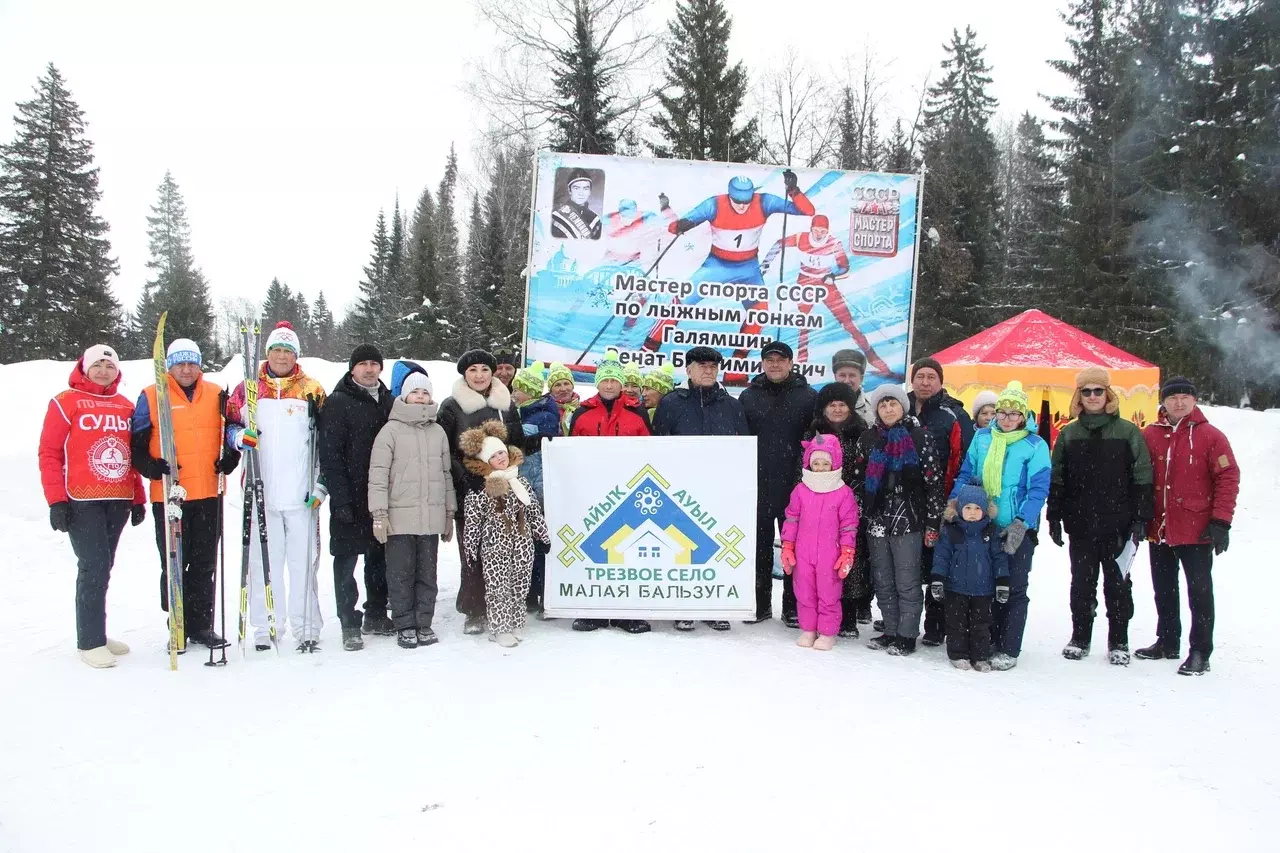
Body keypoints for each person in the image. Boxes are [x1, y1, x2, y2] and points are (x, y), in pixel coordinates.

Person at [39, 344, 147, 668]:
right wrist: (56, 500)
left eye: (109, 365)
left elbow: (130, 457)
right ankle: (89, 641)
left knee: (105, 565)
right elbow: (49, 453)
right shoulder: (65, 402)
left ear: (117, 372)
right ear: (84, 368)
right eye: (97, 364)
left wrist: (138, 496)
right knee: (94, 565)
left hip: (117, 499)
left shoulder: (125, 406)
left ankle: (97, 632)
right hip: (81, 499)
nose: (103, 370)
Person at [131, 338, 240, 651]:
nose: (187, 369)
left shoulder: (217, 394)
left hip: (208, 491)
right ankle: (176, 625)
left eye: (192, 363)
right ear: (169, 366)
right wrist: (151, 467)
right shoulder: (152, 396)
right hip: (170, 495)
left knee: (204, 562)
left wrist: (230, 458)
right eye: (180, 363)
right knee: (175, 562)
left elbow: (231, 430)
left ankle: (201, 625)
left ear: (200, 365)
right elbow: (136, 445)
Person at [226, 321, 328, 652]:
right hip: (261, 493)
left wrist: (319, 486)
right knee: (262, 564)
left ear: (296, 355)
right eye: (276, 350)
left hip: (301, 496)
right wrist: (239, 437)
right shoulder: (247, 389)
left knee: (302, 564)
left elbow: (325, 442)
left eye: (288, 351)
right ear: (267, 353)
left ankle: (306, 626)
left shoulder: (312, 389)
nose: (282, 356)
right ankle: (266, 627)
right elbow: (227, 426)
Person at [1047, 367, 1153, 666]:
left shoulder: (1128, 432)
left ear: (1108, 394)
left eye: (1098, 391)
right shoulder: (1069, 433)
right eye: (1086, 391)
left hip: (1118, 522)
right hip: (1080, 523)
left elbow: (1142, 475)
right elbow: (1058, 478)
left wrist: (1141, 517)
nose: (1092, 396)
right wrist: (1054, 516)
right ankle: (1080, 636)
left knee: (1118, 584)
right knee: (1082, 582)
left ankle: (1119, 640)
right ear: (1078, 397)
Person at [643, 171, 815, 351]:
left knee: (760, 312)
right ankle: (648, 349)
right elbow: (677, 226)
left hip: (748, 269)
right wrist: (680, 225)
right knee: (681, 301)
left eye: (746, 202)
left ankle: (737, 367)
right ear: (729, 195)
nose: (742, 206)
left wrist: (794, 191)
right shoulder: (715, 204)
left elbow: (808, 211)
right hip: (717, 265)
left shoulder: (764, 202)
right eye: (737, 201)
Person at [1138, 377, 1239, 676]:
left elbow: (1228, 477)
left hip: (1196, 528)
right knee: (1164, 589)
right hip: (1160, 528)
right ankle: (1168, 641)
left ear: (1194, 401)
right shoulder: (1151, 435)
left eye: (1185, 397)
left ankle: (1200, 651)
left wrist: (1221, 520)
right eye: (1173, 398)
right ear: (1163, 402)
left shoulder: (1211, 436)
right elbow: (1140, 477)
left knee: (1199, 591)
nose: (1179, 402)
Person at [948, 381, 1050, 671]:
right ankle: (988, 639)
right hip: (981, 526)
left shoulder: (1034, 444)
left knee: (1015, 587)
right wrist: (953, 504)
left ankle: (1009, 646)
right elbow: (966, 474)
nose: (1007, 419)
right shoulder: (982, 438)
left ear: (1023, 415)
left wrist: (1021, 524)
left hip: (1016, 527)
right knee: (986, 586)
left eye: (1013, 414)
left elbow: (1038, 489)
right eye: (1002, 413)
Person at [652, 346, 749, 632]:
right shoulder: (671, 403)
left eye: (713, 366)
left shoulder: (732, 405)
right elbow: (658, 444)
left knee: (715, 547)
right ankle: (683, 606)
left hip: (719, 491)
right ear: (689, 370)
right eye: (702, 365)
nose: (708, 370)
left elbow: (743, 446)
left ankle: (715, 605)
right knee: (682, 546)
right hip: (680, 490)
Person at [850, 384, 945, 656]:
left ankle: (907, 634)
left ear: (903, 406)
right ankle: (890, 629)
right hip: (877, 519)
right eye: (882, 404)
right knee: (882, 579)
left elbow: (933, 483)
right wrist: (859, 516)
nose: (888, 409)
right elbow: (858, 480)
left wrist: (932, 522)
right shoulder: (868, 439)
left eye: (893, 403)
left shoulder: (919, 437)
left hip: (909, 519)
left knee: (907, 580)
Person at [437, 349, 524, 635]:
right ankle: (473, 608)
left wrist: (508, 468)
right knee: (471, 550)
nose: (479, 375)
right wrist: (466, 478)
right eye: (473, 370)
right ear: (464, 374)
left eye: (484, 370)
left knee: (499, 549)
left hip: (501, 488)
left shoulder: (505, 404)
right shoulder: (451, 406)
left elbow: (517, 441)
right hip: (469, 489)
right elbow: (445, 450)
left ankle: (500, 601)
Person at [567, 349, 653, 635]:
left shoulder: (637, 413)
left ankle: (627, 611)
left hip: (628, 492)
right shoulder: (582, 414)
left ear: (621, 383)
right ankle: (594, 610)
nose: (608, 385)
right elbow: (570, 453)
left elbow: (650, 453)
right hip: (591, 492)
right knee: (596, 549)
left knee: (627, 550)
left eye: (614, 381)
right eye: (604, 380)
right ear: (597, 382)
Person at [367, 373, 456, 650]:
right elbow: (378, 475)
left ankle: (424, 622)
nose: (420, 397)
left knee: (427, 574)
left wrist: (449, 513)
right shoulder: (390, 431)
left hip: (430, 518)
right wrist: (379, 514)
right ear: (404, 396)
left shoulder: (438, 431)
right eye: (415, 392)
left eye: (425, 393)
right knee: (400, 573)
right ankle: (405, 623)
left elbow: (446, 474)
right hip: (399, 519)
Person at [318, 344, 394, 652]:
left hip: (380, 496)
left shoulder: (389, 402)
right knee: (346, 560)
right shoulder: (337, 402)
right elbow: (330, 455)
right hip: (349, 494)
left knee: (379, 558)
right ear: (352, 369)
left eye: (374, 363)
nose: (369, 369)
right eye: (362, 363)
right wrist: (341, 498)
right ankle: (349, 622)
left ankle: (375, 612)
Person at [739, 341, 817, 626]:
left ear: (791, 363)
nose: (775, 365)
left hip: (795, 486)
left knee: (793, 548)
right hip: (757, 485)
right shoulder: (748, 397)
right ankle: (759, 603)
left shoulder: (808, 397)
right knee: (758, 546)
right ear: (762, 363)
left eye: (780, 360)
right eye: (769, 360)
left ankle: (792, 606)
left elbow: (818, 443)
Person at [759, 216, 893, 374]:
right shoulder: (801, 237)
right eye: (816, 230)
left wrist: (833, 276)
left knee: (848, 322)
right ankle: (801, 365)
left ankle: (875, 360)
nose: (819, 234)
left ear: (827, 231)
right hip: (805, 282)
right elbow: (779, 244)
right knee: (804, 324)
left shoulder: (833, 243)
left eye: (823, 231)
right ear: (811, 229)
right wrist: (765, 264)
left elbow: (845, 268)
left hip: (825, 284)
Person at [460, 422, 550, 649]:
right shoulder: (480, 489)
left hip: (522, 542)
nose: (500, 458)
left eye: (502, 452)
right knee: (498, 587)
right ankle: (500, 627)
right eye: (494, 455)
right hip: (494, 544)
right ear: (484, 461)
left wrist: (543, 536)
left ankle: (517, 622)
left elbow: (533, 512)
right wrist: (470, 550)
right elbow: (472, 523)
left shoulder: (521, 482)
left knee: (520, 584)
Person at [908, 356, 975, 646]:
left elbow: (966, 459)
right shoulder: (899, 406)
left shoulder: (954, 414)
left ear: (940, 381)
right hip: (906, 501)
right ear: (912, 379)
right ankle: (901, 618)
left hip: (942, 500)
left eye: (930, 377)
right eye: (920, 376)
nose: (925, 382)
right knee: (907, 563)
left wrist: (955, 500)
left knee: (938, 564)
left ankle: (935, 626)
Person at [802, 381, 870, 635]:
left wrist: (857, 494)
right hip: (818, 511)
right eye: (833, 405)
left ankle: (849, 615)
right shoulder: (813, 434)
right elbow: (805, 471)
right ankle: (817, 614)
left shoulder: (861, 432)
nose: (838, 410)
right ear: (824, 408)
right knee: (820, 565)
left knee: (849, 560)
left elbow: (867, 470)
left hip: (850, 506)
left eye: (843, 404)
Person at [780, 434, 858, 651]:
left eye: (826, 463)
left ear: (834, 463)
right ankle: (808, 629)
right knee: (804, 591)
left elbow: (849, 525)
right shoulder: (801, 490)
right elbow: (792, 518)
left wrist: (847, 551)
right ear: (809, 464)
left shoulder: (843, 493)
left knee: (828, 593)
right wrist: (787, 545)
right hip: (803, 552)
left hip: (829, 554)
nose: (821, 468)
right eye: (816, 463)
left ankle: (827, 632)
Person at [929, 482, 1008, 672]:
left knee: (981, 623)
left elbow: (999, 559)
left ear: (985, 510)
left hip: (983, 589)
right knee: (956, 622)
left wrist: (1002, 581)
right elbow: (942, 557)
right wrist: (938, 578)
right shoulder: (951, 531)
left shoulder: (991, 532)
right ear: (959, 509)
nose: (972, 512)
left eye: (977, 508)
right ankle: (958, 654)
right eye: (968, 508)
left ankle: (980, 656)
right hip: (956, 588)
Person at [511, 362, 561, 614]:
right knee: (524, 542)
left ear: (531, 391)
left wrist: (523, 441)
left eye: (520, 389)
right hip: (523, 483)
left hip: (537, 487)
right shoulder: (519, 412)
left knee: (538, 542)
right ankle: (528, 591)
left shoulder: (543, 414)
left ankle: (540, 591)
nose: (515, 392)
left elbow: (545, 447)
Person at [551, 169, 602, 239]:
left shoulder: (595, 219)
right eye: (576, 188)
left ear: (590, 191)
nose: (581, 193)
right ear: (569, 190)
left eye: (585, 188)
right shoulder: (556, 215)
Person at [831, 349, 873, 424]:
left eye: (852, 375)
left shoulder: (873, 409)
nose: (847, 381)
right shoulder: (821, 407)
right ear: (835, 377)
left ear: (861, 378)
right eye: (842, 375)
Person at [547, 361, 581, 435]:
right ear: (550, 390)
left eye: (566, 383)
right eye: (557, 385)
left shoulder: (582, 409)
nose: (563, 389)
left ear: (572, 386)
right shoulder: (545, 409)